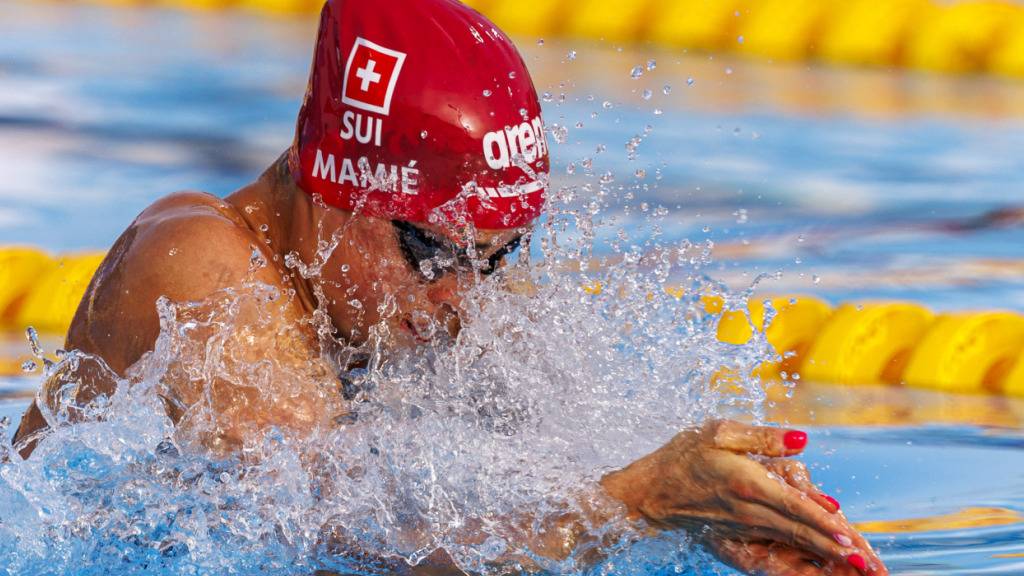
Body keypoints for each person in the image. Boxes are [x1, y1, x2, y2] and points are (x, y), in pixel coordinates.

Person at [12, 0, 886, 574]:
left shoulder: (444, 287)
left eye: (500, 256)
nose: (465, 297)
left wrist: (722, 508)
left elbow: (552, 480)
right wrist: (638, 500)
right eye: (433, 251)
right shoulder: (203, 271)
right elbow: (355, 560)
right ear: (332, 183)